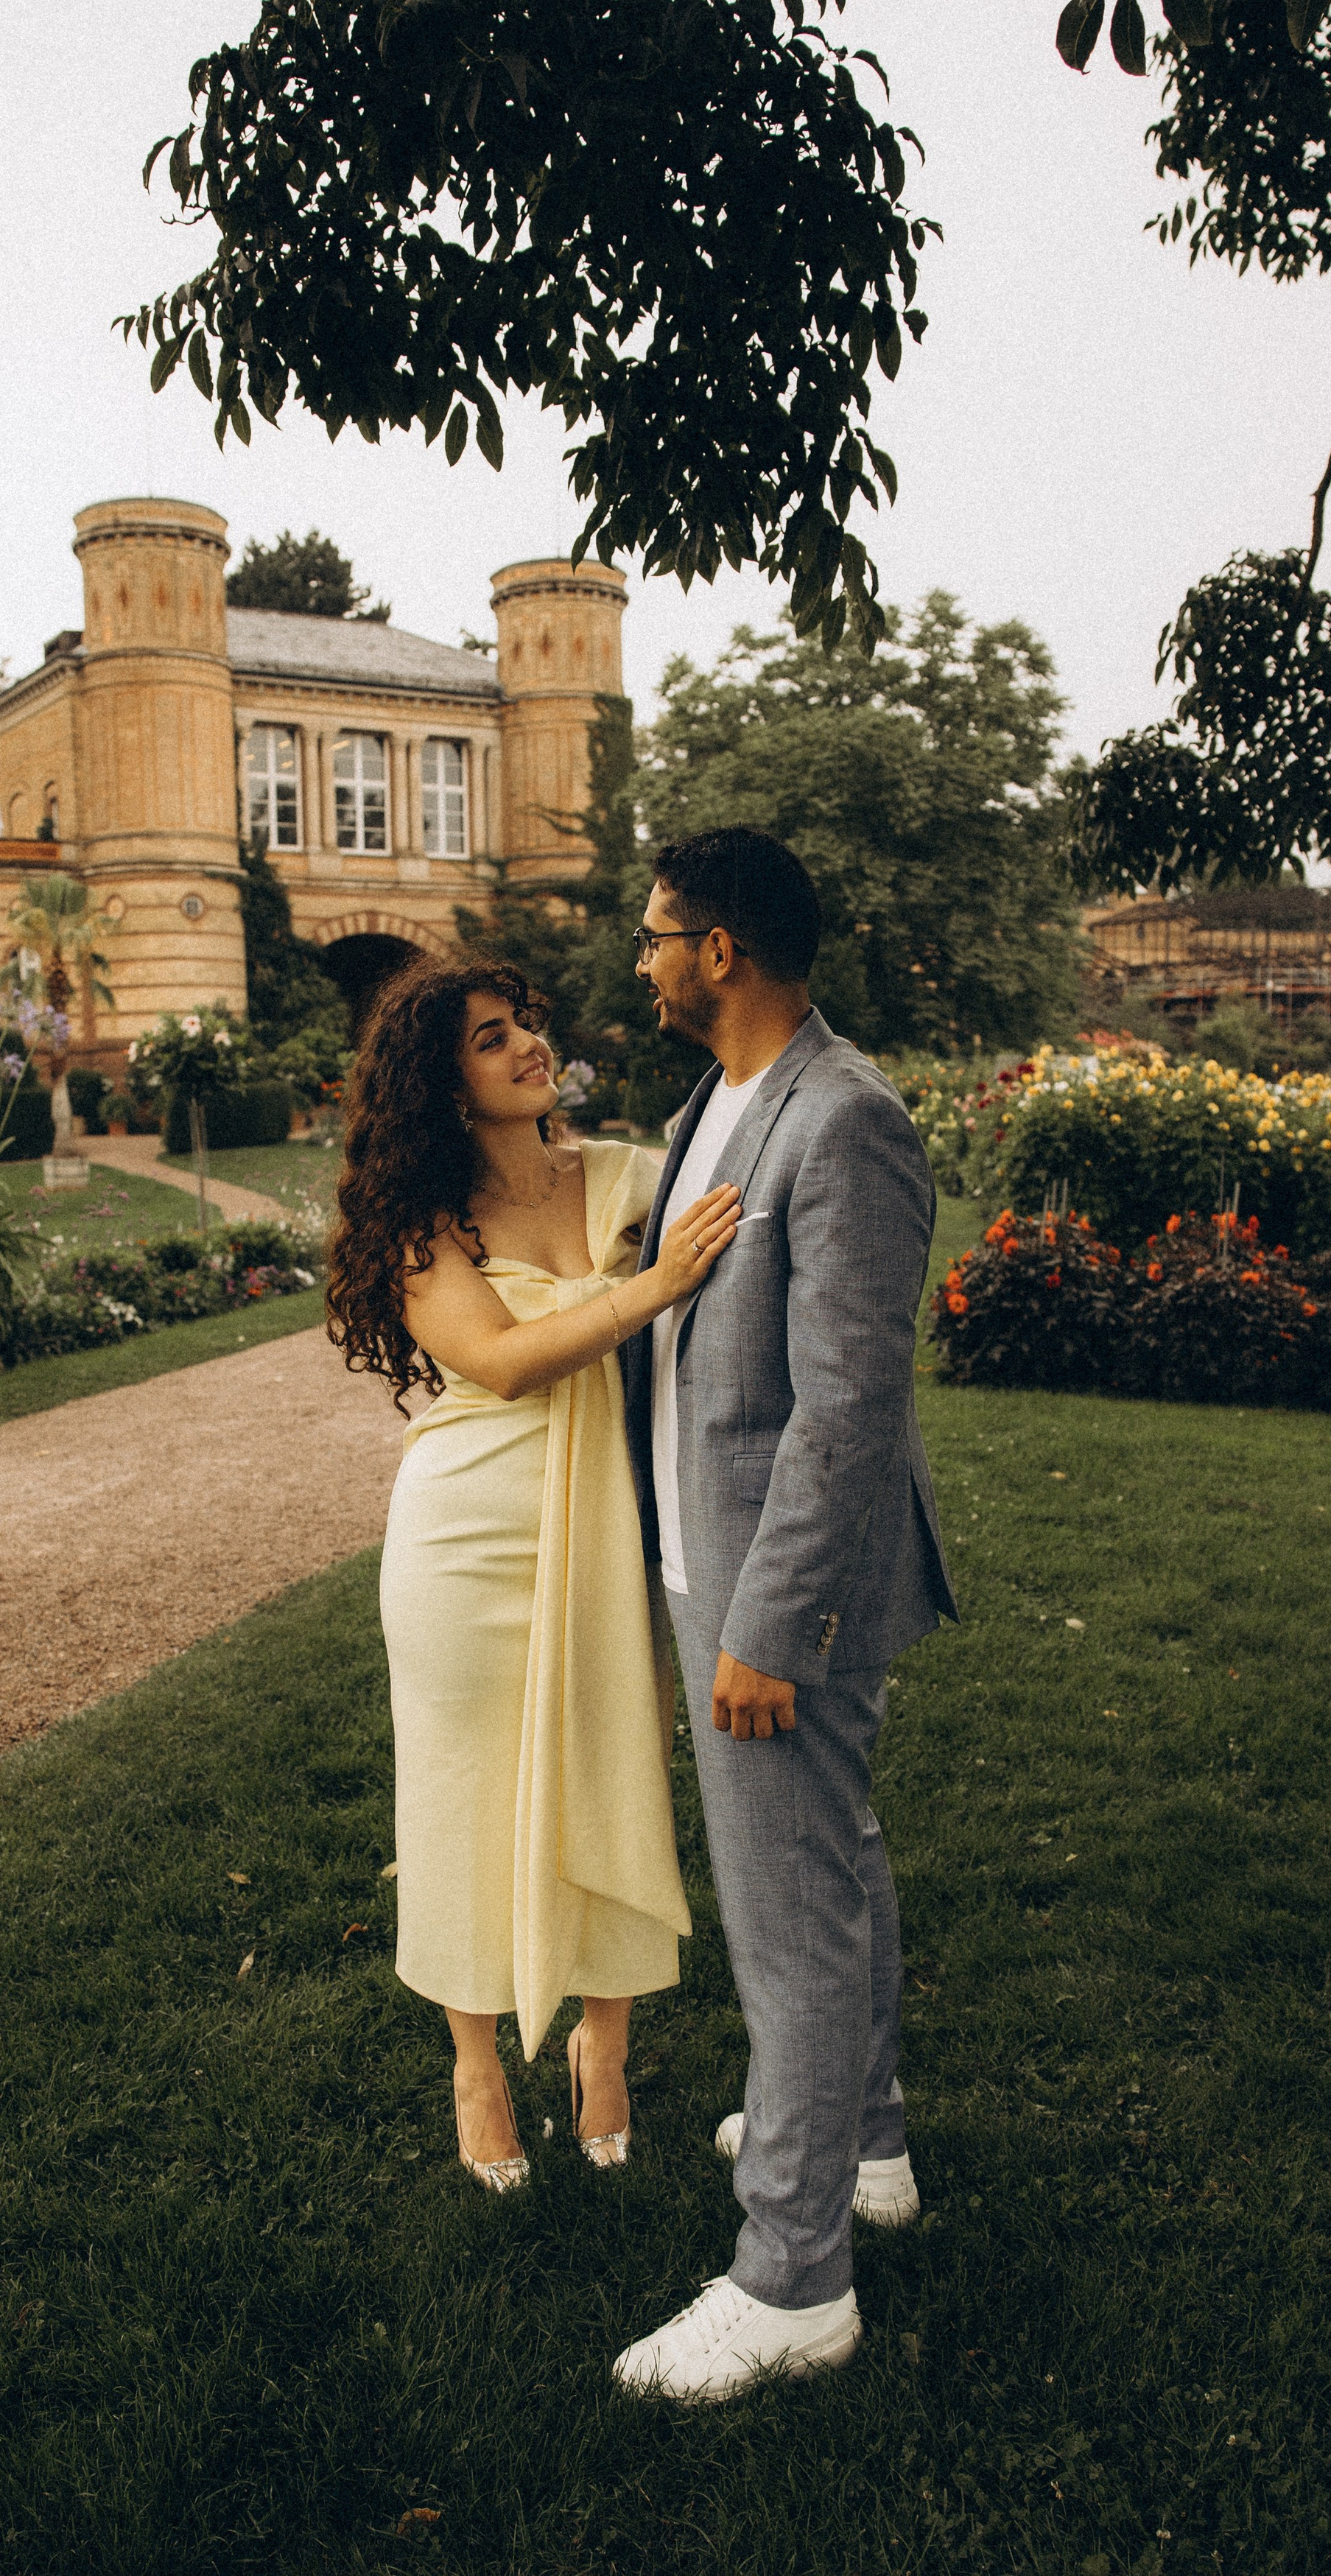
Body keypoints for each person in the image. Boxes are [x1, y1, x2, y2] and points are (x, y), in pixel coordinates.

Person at [611, 827, 958, 2404]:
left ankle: (792, 2280)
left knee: (789, 1919)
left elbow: (848, 1406)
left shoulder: (844, 1117)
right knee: (832, 1864)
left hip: (777, 1592)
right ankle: (862, 2146)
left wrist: (766, 1625)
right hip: (714, 1561)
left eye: (654, 935)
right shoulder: (715, 1104)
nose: (640, 960)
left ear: (721, 950)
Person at [327, 955, 745, 2189]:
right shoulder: (420, 1223)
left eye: (525, 1025)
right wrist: (653, 1285)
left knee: (614, 1765)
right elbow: (505, 1361)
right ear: (441, 1084)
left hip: (610, 1525)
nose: (527, 1047)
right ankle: (476, 2065)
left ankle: (603, 2047)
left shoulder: (625, 1177)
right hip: (466, 1540)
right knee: (459, 1795)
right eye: (490, 1038)